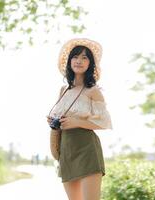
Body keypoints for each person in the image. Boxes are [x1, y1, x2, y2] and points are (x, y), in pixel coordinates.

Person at [47, 38, 112, 200]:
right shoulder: (64, 90)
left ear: (90, 64)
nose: (79, 61)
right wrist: (54, 122)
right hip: (67, 149)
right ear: (69, 62)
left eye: (85, 58)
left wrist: (76, 122)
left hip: (87, 148)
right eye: (75, 57)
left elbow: (104, 123)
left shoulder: (93, 91)